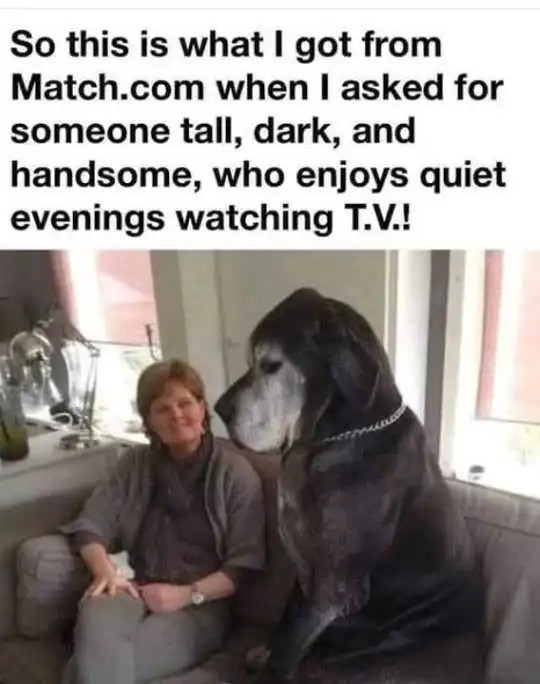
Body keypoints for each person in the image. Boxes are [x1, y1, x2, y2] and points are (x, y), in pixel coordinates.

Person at [60, 359, 266, 684]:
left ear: (202, 408)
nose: (176, 415)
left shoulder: (235, 474)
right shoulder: (135, 464)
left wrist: (186, 595)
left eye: (185, 403)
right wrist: (105, 572)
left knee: (79, 671)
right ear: (148, 421)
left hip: (200, 606)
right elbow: (90, 525)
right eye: (162, 409)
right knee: (96, 612)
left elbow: (244, 567)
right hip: (133, 586)